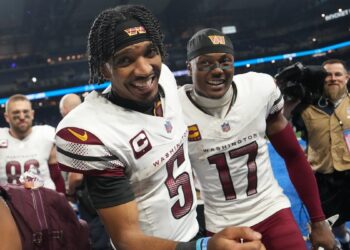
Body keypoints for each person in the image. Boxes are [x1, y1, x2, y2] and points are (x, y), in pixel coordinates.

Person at [55, 5, 265, 250]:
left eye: (150, 52)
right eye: (125, 60)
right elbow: (126, 240)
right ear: (105, 69)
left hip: (191, 228)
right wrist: (203, 248)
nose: (144, 69)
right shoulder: (92, 129)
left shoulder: (164, 77)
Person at [177, 28, 336, 250]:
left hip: (272, 210)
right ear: (189, 68)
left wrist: (319, 221)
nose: (217, 70)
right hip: (224, 224)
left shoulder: (258, 90)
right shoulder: (173, 110)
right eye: (205, 63)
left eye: (226, 62)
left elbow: (293, 155)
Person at [291, 59, 350, 250]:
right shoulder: (305, 108)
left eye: (338, 74)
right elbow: (281, 128)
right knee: (327, 232)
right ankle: (344, 241)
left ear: (347, 77)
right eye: (327, 75)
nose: (333, 79)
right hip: (324, 180)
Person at [60, 93, 113, 250]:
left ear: (67, 112)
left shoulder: (75, 130)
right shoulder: (100, 124)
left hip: (94, 205)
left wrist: (69, 192)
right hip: (113, 193)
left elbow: (76, 177)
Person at [0, 94, 65, 193]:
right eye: (16, 113)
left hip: (43, 201)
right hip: (9, 205)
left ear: (32, 114)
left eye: (25, 112)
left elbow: (56, 176)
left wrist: (62, 200)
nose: (22, 117)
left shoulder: (46, 135)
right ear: (7, 117)